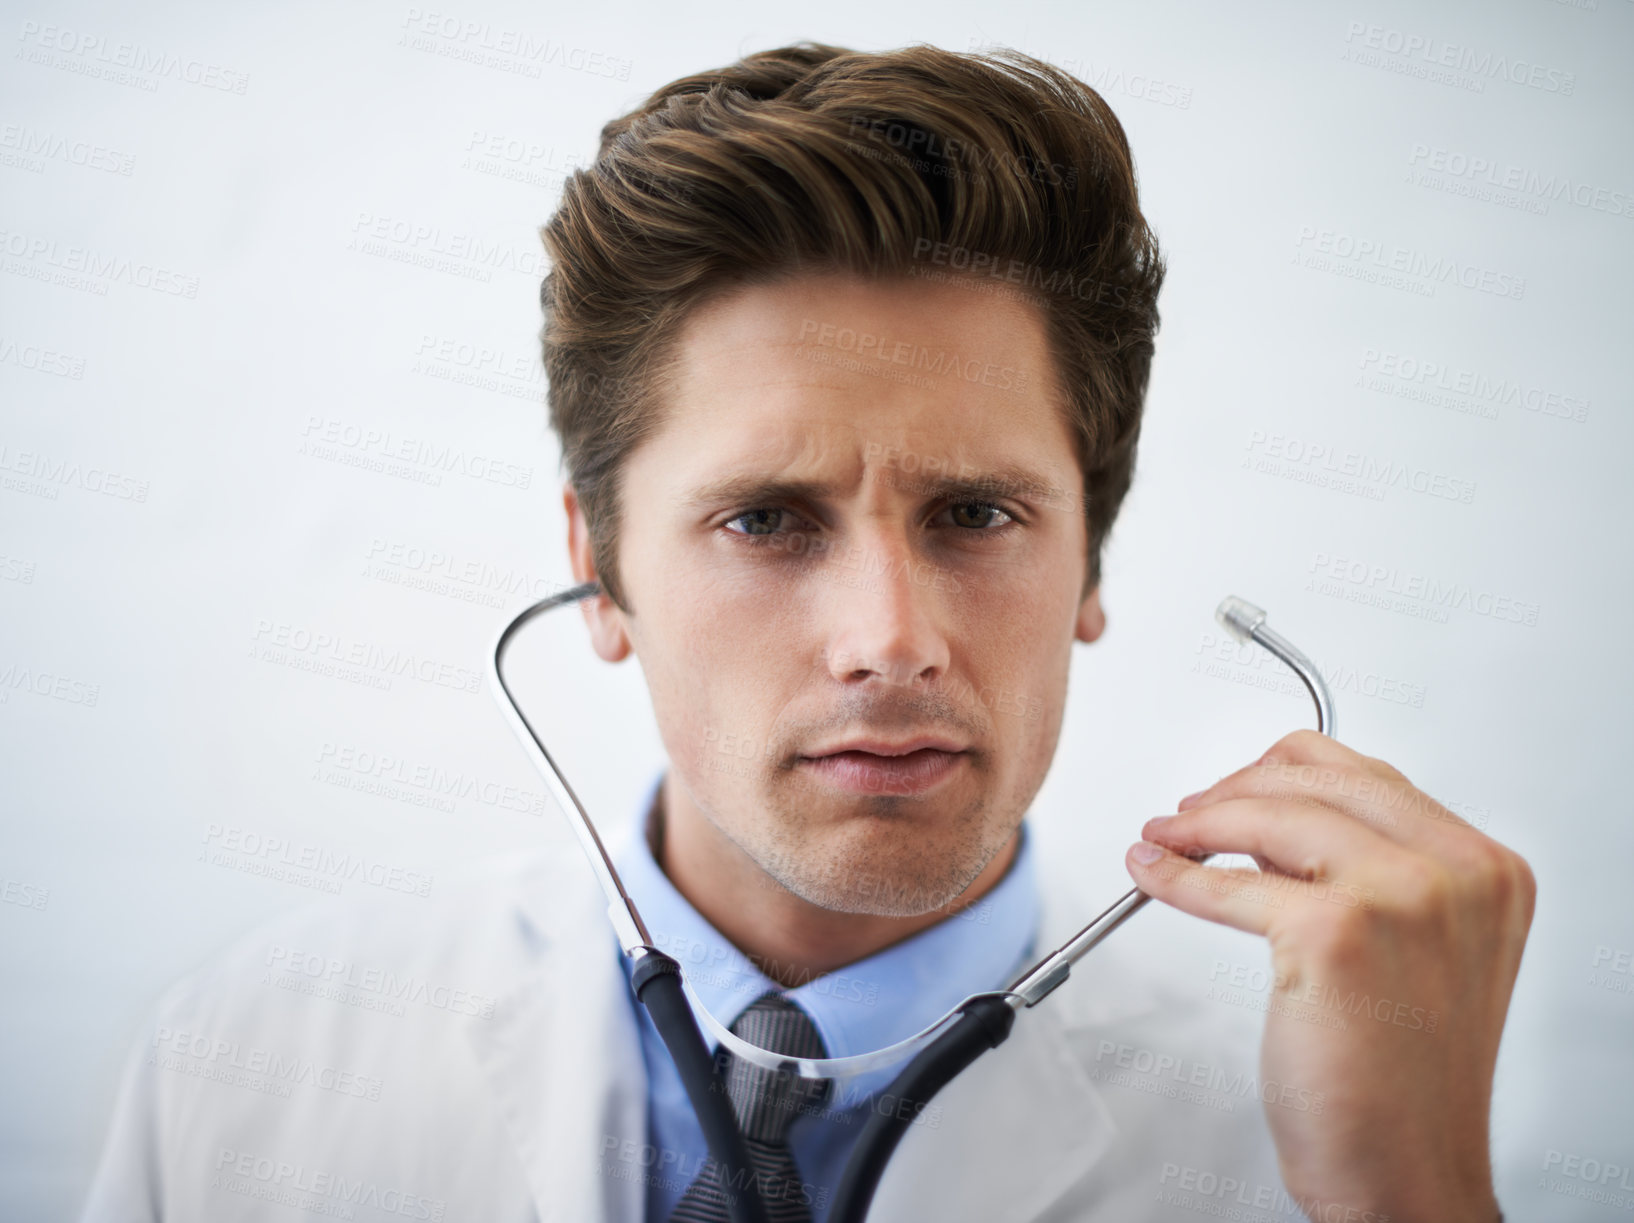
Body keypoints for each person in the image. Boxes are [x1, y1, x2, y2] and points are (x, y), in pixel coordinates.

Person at [81, 42, 1534, 1223]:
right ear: (598, 575)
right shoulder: (260, 1067)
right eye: (765, 520)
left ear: (1091, 557)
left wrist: (1414, 1204)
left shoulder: (1307, 1159)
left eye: (972, 514)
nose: (886, 640)